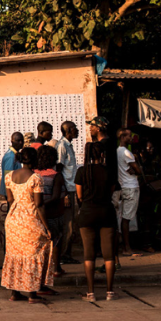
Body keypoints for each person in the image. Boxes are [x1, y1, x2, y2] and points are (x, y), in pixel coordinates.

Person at [1, 147, 54, 303]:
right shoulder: (36, 178)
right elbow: (39, 204)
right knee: (34, 254)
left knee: (15, 256)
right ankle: (32, 294)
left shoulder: (9, 176)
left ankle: (15, 293)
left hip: (13, 220)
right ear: (35, 160)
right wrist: (47, 226)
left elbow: (10, 200)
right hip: (30, 220)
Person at [75, 142, 119, 302]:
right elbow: (111, 190)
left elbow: (79, 195)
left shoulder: (82, 171)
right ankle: (110, 292)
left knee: (89, 254)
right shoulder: (109, 171)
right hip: (106, 212)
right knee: (109, 255)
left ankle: (91, 293)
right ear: (102, 155)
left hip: (87, 213)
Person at [137, 139, 161, 252]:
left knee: (158, 219)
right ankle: (146, 244)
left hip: (158, 194)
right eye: (148, 148)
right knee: (146, 220)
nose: (150, 150)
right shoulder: (139, 162)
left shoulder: (157, 161)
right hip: (145, 195)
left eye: (152, 148)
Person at [38, 145, 66, 277]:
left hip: (38, 214)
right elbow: (56, 197)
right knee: (56, 240)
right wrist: (43, 204)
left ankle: (41, 269)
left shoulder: (34, 174)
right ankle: (56, 268)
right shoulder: (56, 176)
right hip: (54, 213)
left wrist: (38, 206)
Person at [55, 122, 80, 265]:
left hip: (71, 188)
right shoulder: (62, 146)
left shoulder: (68, 146)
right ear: (69, 130)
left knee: (70, 224)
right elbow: (59, 170)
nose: (77, 131)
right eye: (75, 129)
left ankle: (66, 253)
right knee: (68, 225)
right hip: (67, 190)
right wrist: (63, 193)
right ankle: (64, 255)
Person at [116, 128, 142, 257]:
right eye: (128, 136)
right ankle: (127, 247)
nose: (131, 138)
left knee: (122, 217)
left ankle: (124, 246)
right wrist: (137, 168)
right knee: (126, 219)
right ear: (122, 137)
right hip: (130, 186)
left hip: (123, 186)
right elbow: (138, 170)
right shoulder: (127, 153)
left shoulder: (117, 152)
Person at [0, 132, 24, 201]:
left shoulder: (15, 154)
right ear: (12, 142)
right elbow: (8, 176)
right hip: (11, 192)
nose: (20, 143)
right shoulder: (11, 156)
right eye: (18, 140)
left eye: (22, 140)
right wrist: (10, 195)